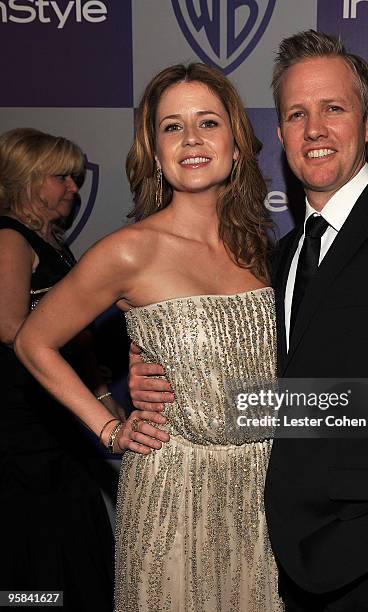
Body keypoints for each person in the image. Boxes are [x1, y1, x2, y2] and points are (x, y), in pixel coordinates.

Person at [128, 31, 368, 611]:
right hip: (273, 562)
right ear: (281, 134)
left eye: (333, 109)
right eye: (296, 114)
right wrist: (165, 381)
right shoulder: (275, 261)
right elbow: (288, 398)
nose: (314, 129)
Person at [15, 64, 283, 611]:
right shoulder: (128, 251)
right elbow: (31, 341)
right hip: (173, 491)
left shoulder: (260, 248)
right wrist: (109, 429)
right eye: (171, 127)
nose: (190, 139)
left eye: (207, 122)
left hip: (260, 490)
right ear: (154, 152)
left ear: (235, 142)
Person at [0, 128, 117, 610]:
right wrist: (82, 331)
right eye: (61, 177)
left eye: (75, 177)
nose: (74, 187)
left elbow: (76, 349)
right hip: (21, 433)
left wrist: (108, 405)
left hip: (57, 426)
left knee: (76, 555)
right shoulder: (10, 238)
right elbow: (12, 328)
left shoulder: (55, 244)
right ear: (26, 180)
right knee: (34, 560)